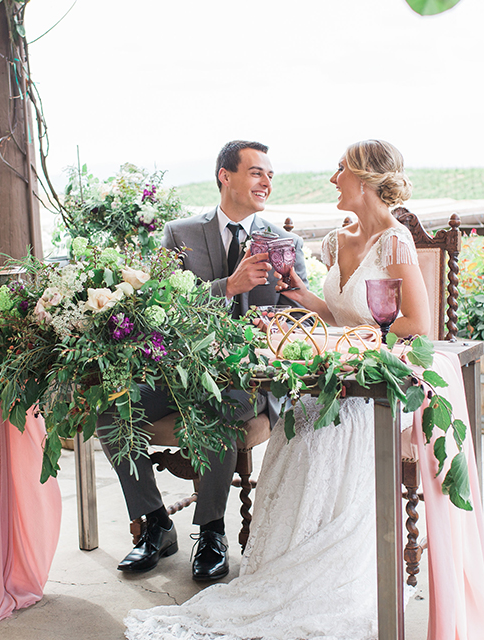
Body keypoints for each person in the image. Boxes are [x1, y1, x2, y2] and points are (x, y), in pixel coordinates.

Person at [124, 140, 484, 640]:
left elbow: (417, 323)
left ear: (364, 178)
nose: (332, 179)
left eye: (339, 170)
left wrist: (362, 338)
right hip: (333, 367)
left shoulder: (395, 240)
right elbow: (332, 314)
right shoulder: (339, 238)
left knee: (324, 426)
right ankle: (279, 564)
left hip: (372, 380)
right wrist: (299, 293)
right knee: (304, 420)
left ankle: (327, 568)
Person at [97, 140, 307, 582]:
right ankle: (155, 523)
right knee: (112, 408)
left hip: (249, 382)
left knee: (221, 409)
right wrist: (225, 286)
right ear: (224, 176)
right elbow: (161, 305)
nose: (266, 181)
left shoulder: (285, 243)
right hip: (181, 374)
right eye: (255, 172)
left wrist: (289, 304)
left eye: (270, 174)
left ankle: (211, 530)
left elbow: (298, 324)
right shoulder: (180, 234)